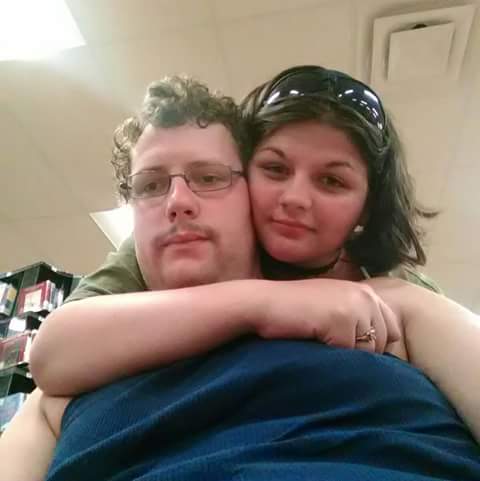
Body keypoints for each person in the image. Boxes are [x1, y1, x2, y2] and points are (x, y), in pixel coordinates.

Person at [1, 74, 480, 480]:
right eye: (150, 185)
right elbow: (53, 353)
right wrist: (268, 302)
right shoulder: (74, 382)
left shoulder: (391, 302)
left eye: (209, 178)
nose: (178, 202)